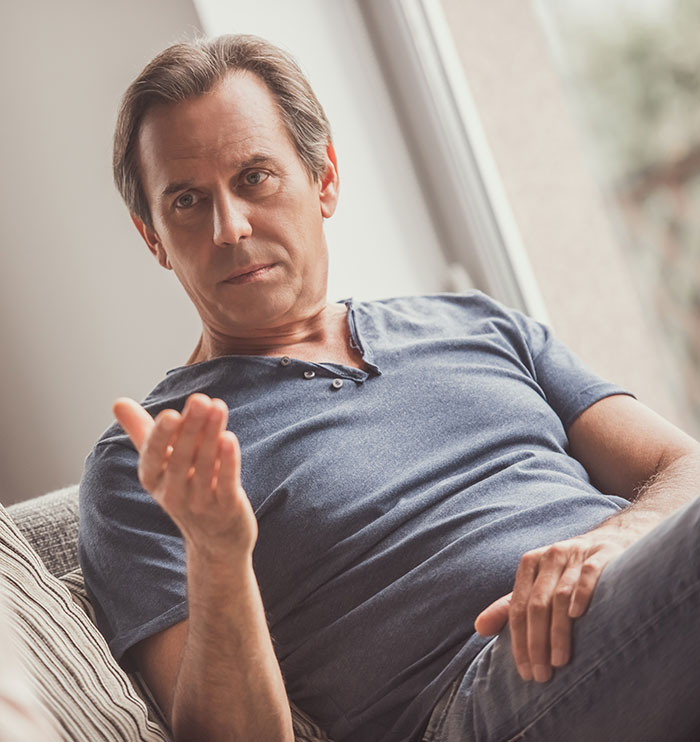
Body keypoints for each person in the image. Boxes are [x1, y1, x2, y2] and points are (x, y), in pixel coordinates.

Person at [79, 34, 700, 742]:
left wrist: (620, 538)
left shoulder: (474, 322)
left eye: (254, 177)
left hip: (641, 608)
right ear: (153, 237)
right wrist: (218, 552)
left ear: (326, 179)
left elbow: (682, 467)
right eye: (187, 201)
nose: (230, 227)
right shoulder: (147, 463)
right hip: (480, 698)